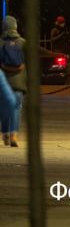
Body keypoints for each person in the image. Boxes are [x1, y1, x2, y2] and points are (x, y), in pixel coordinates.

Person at [0, 15, 26, 147]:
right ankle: (13, 135)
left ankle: (4, 133)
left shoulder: (1, 42)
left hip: (3, 83)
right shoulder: (22, 42)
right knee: (16, 108)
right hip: (18, 83)